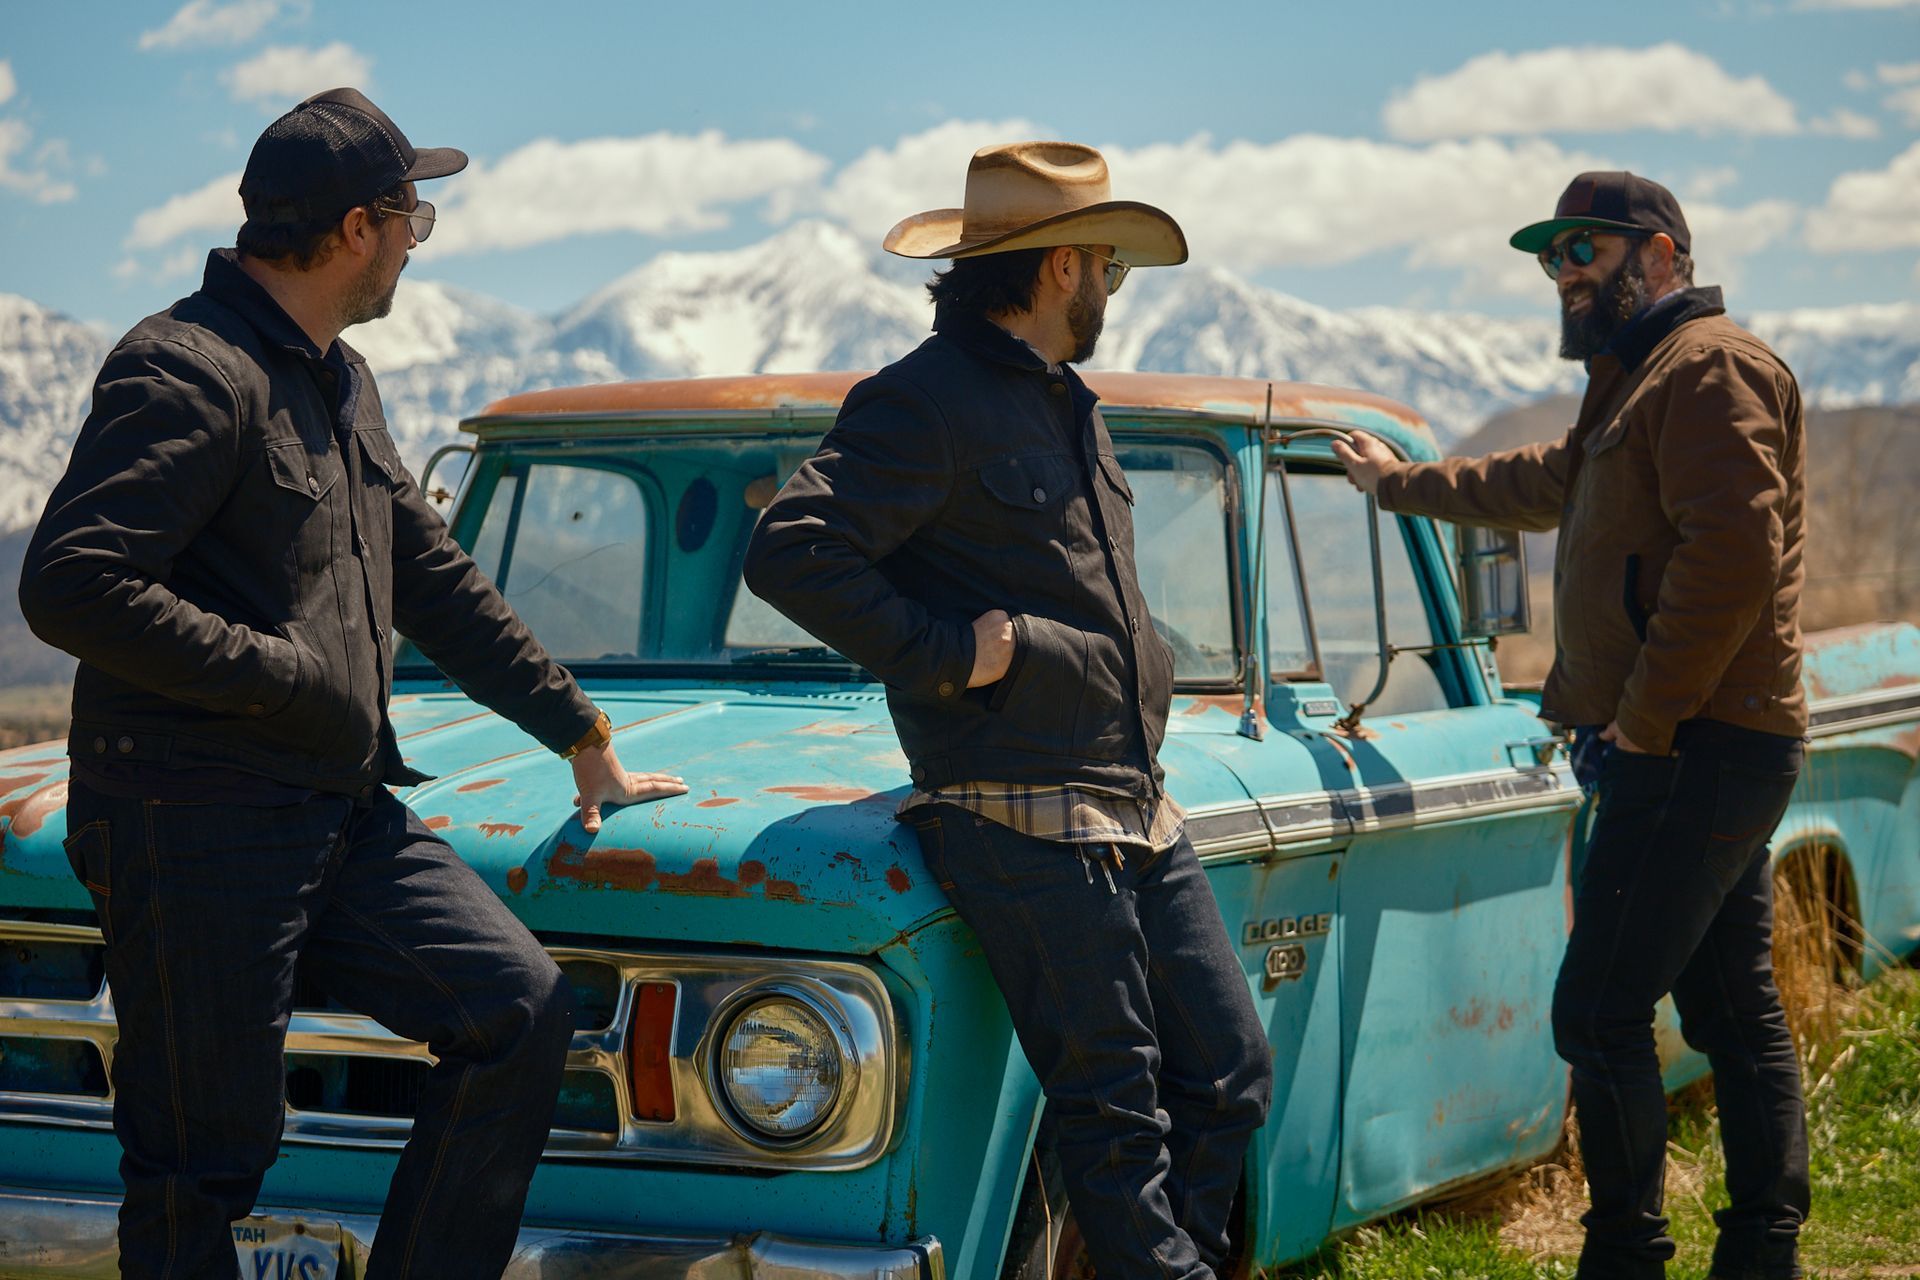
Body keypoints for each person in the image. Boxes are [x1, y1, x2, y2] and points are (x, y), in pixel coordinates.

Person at [18, 88, 686, 1279]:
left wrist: (576, 727)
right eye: (411, 219)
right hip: (193, 823)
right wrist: (281, 675)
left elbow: (432, 576)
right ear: (354, 229)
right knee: (200, 1164)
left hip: (334, 811)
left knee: (517, 1009)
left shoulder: (337, 380)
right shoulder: (187, 369)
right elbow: (72, 583)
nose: (416, 243)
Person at [742, 141, 1272, 1280]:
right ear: (1061, 263)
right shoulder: (922, 399)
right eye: (1109, 272)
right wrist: (947, 653)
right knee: (1115, 1113)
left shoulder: (1068, 402)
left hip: (1134, 801)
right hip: (1019, 812)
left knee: (1230, 1074)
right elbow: (791, 550)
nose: (1111, 294)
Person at [1335, 171, 1807, 1280]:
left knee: (1596, 1009)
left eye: (1581, 250)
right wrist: (1401, 483)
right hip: (1697, 741)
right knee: (1731, 1008)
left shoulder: (1711, 366)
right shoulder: (1635, 378)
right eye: (1551, 257)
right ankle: (1760, 1252)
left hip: (1695, 743)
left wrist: (1645, 722)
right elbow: (1547, 481)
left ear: (1661, 253)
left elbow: (1732, 555)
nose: (1562, 274)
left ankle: (1629, 1253)